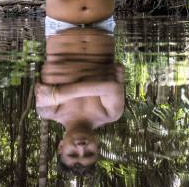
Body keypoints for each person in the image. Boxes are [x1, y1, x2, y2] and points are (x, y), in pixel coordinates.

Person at [35, 26, 125, 175]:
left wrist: (100, 81)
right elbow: (113, 82)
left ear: (60, 147)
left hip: (59, 26)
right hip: (102, 24)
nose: (82, 148)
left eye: (73, 154)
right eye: (89, 153)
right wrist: (57, 94)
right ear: (98, 147)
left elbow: (50, 69)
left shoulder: (48, 111)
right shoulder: (111, 114)